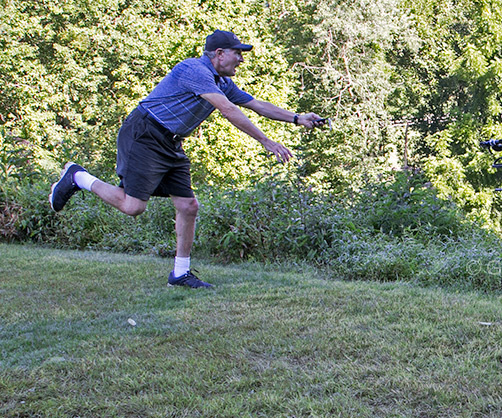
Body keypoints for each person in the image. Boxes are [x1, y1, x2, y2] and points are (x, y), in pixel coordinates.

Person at [49, 30, 323, 288]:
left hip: (171, 143)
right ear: (218, 53)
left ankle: (180, 273)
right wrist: (266, 141)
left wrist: (297, 118)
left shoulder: (222, 82)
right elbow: (227, 109)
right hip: (145, 134)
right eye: (237, 53)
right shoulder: (195, 70)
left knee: (189, 206)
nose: (241, 58)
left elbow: (256, 105)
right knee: (133, 206)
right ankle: (78, 177)